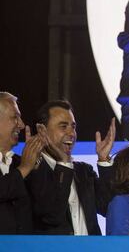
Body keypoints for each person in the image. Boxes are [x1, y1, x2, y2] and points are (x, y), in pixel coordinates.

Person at [26, 100, 116, 235]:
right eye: (63, 126)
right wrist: (64, 163)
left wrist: (104, 160)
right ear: (41, 130)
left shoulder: (84, 171)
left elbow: (110, 208)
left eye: (73, 127)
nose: (71, 133)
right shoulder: (30, 171)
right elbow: (51, 215)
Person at [0, 92, 43, 234]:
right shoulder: (24, 166)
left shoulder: (25, 163)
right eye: (15, 117)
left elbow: (49, 212)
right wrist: (24, 169)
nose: (22, 124)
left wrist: (36, 169)